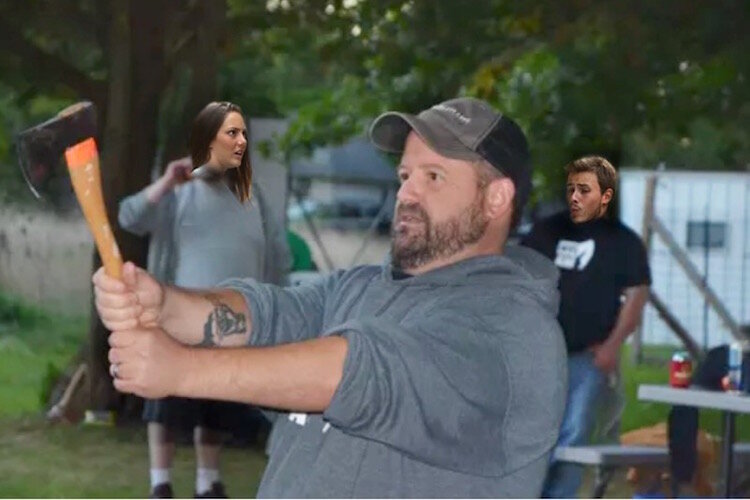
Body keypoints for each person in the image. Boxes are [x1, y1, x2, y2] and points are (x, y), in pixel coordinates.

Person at [95, 97, 567, 498]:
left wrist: (178, 368)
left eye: (433, 177)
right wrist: (162, 304)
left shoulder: (514, 329)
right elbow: (270, 315)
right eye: (405, 175)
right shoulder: (361, 286)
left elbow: (362, 374)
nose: (407, 192)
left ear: (497, 199)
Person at [117, 101, 291, 498]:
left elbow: (278, 255)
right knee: (165, 403)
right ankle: (160, 483)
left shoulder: (253, 196)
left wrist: (280, 303)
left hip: (232, 322)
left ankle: (207, 483)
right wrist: (164, 183)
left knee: (215, 402)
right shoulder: (177, 193)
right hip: (175, 314)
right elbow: (129, 217)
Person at [521, 155, 651, 498]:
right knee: (531, 433)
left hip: (586, 358)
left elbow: (638, 294)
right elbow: (517, 284)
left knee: (574, 436)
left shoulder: (623, 242)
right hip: (538, 356)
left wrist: (612, 345)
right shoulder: (546, 232)